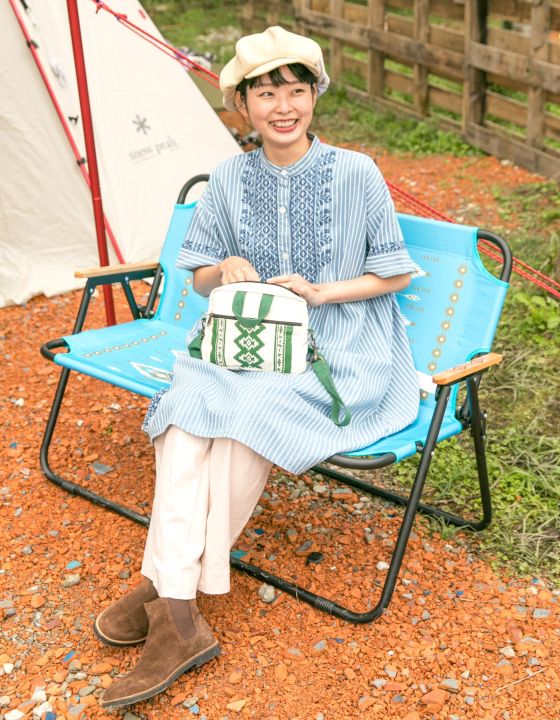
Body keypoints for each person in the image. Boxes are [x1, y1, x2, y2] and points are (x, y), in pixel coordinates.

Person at [96, 25, 421, 709]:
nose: (283, 106)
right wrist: (225, 267)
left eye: (295, 90)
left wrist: (322, 292)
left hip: (337, 347)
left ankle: (166, 591)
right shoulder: (228, 178)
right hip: (242, 341)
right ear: (241, 105)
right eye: (266, 93)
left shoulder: (356, 172)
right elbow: (201, 279)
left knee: (248, 418)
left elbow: (393, 273)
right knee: (185, 412)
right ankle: (179, 609)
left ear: (315, 96)